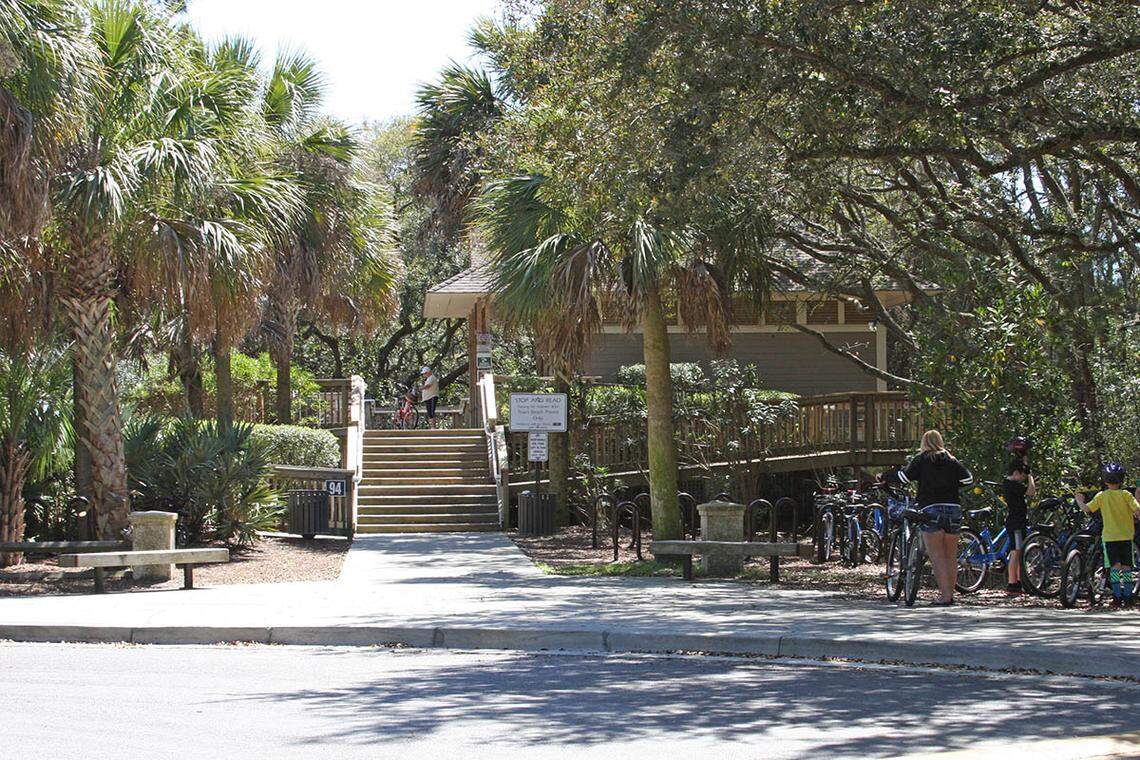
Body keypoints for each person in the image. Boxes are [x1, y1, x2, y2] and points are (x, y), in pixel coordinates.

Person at [898, 430, 973, 606]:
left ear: (924, 443)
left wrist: (884, 477)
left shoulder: (922, 459)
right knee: (951, 555)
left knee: (937, 555)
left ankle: (945, 596)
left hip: (931, 508)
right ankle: (950, 594)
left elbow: (904, 477)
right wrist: (953, 482)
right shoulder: (951, 460)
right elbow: (968, 479)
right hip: (953, 508)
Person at [1074, 462, 1139, 609]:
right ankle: (1128, 598)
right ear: (1122, 480)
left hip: (1109, 538)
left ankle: (1117, 597)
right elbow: (1137, 509)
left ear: (1105, 480)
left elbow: (1087, 509)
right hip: (1126, 537)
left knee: (1115, 568)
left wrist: (1079, 499)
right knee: (1127, 568)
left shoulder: (1101, 496)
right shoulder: (1126, 495)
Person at [1003, 460, 1035, 594]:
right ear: (1016, 473)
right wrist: (1030, 476)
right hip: (1016, 522)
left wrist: (1024, 460)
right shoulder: (1012, 485)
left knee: (1018, 550)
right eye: (1022, 476)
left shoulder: (1009, 484)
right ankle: (1012, 583)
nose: (1023, 479)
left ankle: (1017, 580)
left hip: (1017, 521)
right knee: (1015, 552)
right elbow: (1031, 492)